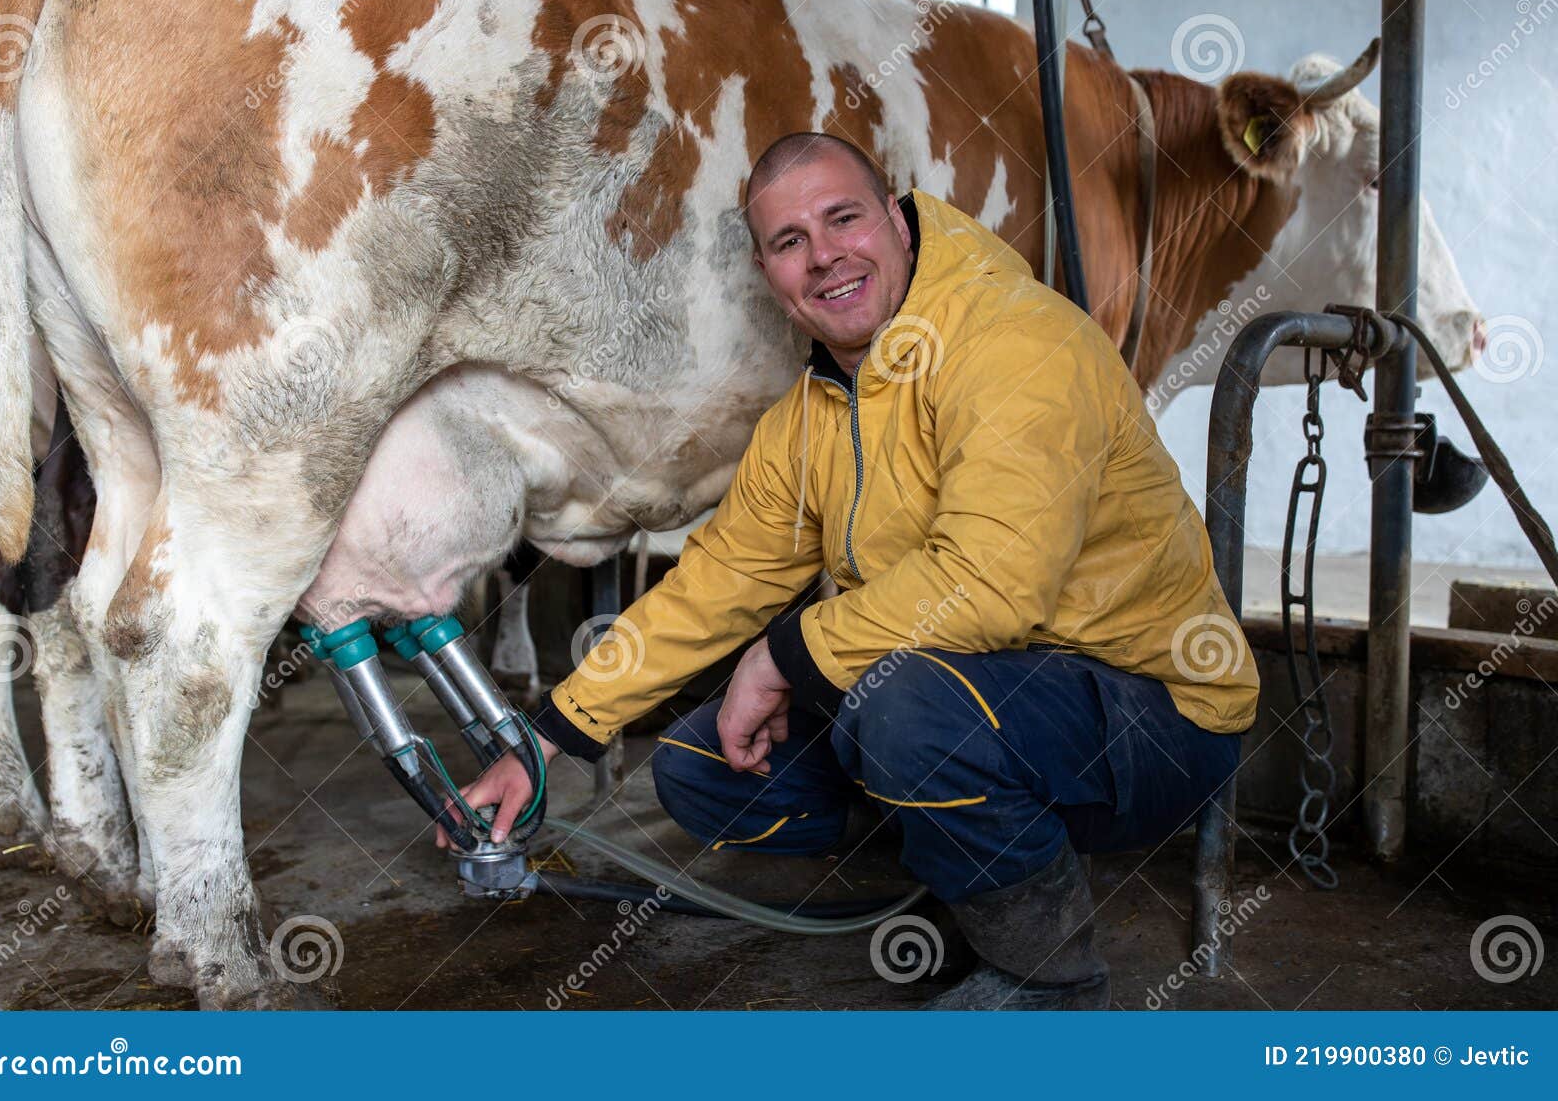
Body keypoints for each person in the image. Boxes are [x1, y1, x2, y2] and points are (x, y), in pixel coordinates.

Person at [443, 132, 1259, 1009]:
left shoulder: (1017, 342)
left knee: (906, 712)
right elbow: (718, 580)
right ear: (768, 273)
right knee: (699, 766)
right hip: (975, 691)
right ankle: (972, 872)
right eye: (790, 242)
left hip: (1151, 711)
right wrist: (551, 737)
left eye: (844, 219)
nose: (825, 255)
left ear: (900, 224)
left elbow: (989, 584)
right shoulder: (815, 410)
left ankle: (1051, 978)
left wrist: (784, 654)